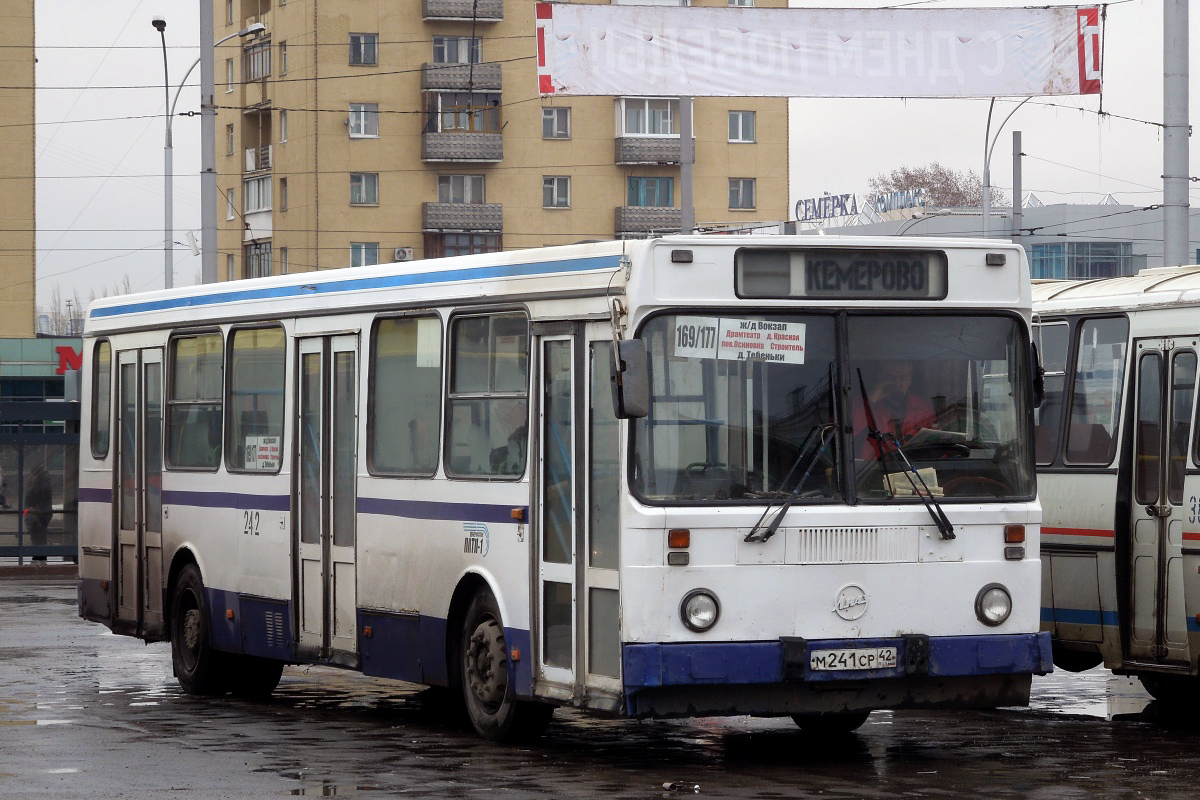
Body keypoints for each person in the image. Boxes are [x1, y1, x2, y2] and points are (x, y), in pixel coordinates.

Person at [853, 360, 938, 457]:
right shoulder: (865, 405)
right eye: (891, 378)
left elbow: (937, 444)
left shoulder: (923, 409)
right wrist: (872, 399)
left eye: (903, 377)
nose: (897, 383)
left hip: (914, 468)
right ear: (880, 378)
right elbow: (848, 432)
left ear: (910, 379)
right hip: (874, 468)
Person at [24, 464, 53, 563]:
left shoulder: (40, 484)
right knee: (37, 535)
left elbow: (33, 497)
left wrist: (34, 509)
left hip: (40, 513)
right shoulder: (41, 483)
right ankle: (39, 557)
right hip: (38, 512)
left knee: (38, 535)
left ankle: (39, 557)